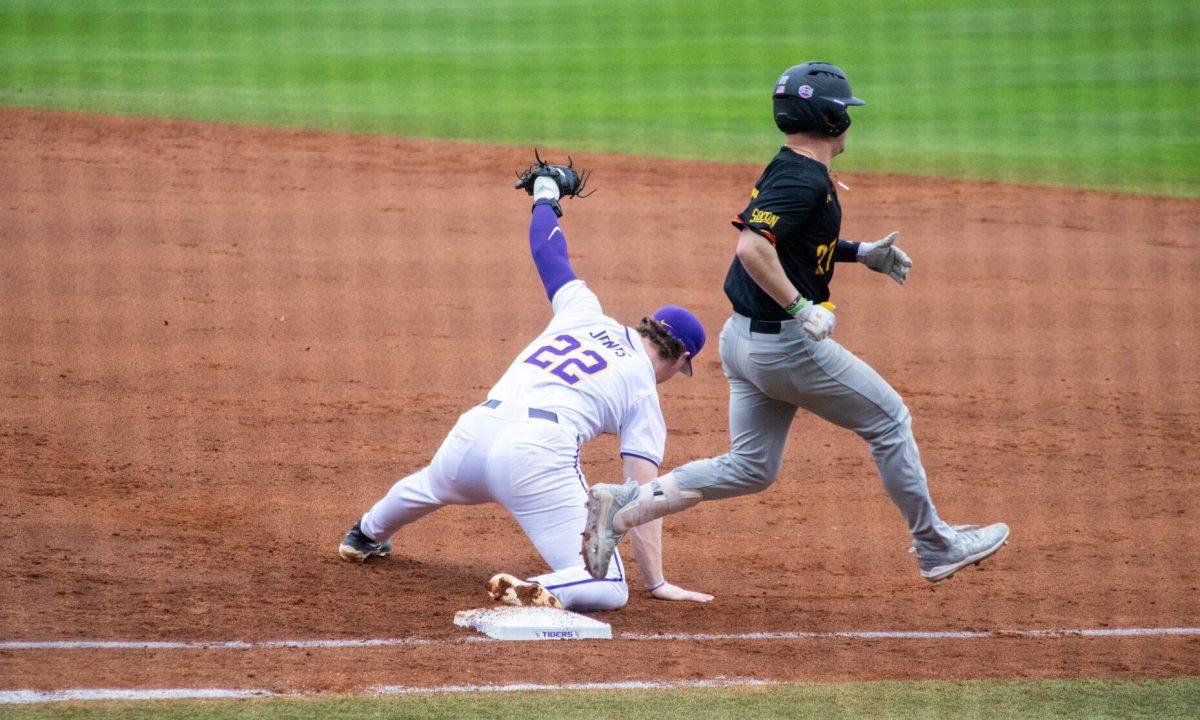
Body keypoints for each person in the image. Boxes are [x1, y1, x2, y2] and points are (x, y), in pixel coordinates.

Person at [583, 62, 1009, 585]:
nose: (849, 122)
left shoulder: (791, 166)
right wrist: (798, 306)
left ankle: (623, 505)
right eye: (845, 112)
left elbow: (793, 242)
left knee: (751, 468)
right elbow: (752, 246)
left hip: (741, 341)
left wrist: (860, 253)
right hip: (785, 347)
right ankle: (934, 544)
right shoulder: (802, 177)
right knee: (890, 421)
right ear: (829, 117)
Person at [337, 155, 712, 611]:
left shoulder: (584, 310)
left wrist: (546, 195)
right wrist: (655, 581)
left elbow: (547, 251)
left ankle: (364, 534)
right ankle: (535, 587)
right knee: (610, 588)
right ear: (681, 359)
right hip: (536, 457)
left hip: (474, 433)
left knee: (430, 485)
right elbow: (642, 495)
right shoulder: (643, 392)